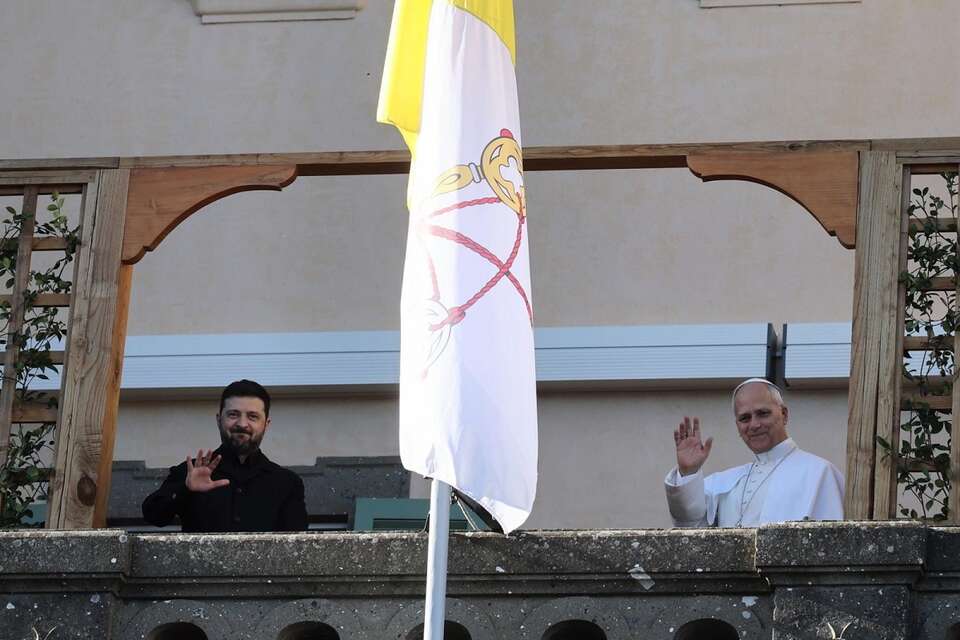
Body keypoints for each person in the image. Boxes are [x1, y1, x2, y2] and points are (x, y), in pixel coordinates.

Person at [664, 377, 843, 527]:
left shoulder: (819, 473)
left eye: (763, 413)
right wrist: (688, 473)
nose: (754, 425)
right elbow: (689, 525)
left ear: (784, 414)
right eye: (744, 418)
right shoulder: (726, 481)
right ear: (737, 426)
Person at [142, 379, 308, 532]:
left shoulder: (287, 483)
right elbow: (153, 516)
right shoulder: (191, 471)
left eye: (252, 416)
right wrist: (185, 489)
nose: (242, 424)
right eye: (233, 414)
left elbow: (299, 547)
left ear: (266, 424)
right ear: (218, 419)